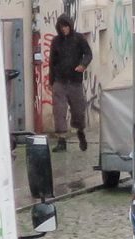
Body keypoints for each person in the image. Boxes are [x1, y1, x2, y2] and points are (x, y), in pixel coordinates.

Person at [48, 15, 92, 152]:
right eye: (61, 27)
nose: (64, 29)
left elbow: (88, 54)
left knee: (78, 110)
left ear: (70, 26)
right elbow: (52, 62)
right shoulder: (56, 41)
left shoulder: (79, 39)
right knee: (59, 111)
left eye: (66, 26)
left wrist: (83, 65)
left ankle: (80, 131)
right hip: (59, 81)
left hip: (75, 82)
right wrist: (51, 81)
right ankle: (61, 140)